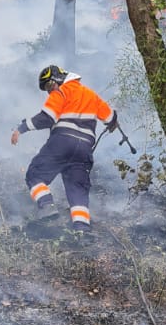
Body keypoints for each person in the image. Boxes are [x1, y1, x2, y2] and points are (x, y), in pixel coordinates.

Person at [10, 64, 117, 231]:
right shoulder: (92, 95)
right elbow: (110, 117)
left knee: (34, 174)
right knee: (78, 189)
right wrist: (113, 121)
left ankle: (47, 205)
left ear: (58, 79)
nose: (49, 91)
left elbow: (47, 118)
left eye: (49, 85)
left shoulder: (61, 91)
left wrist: (22, 128)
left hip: (62, 142)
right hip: (84, 149)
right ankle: (82, 230)